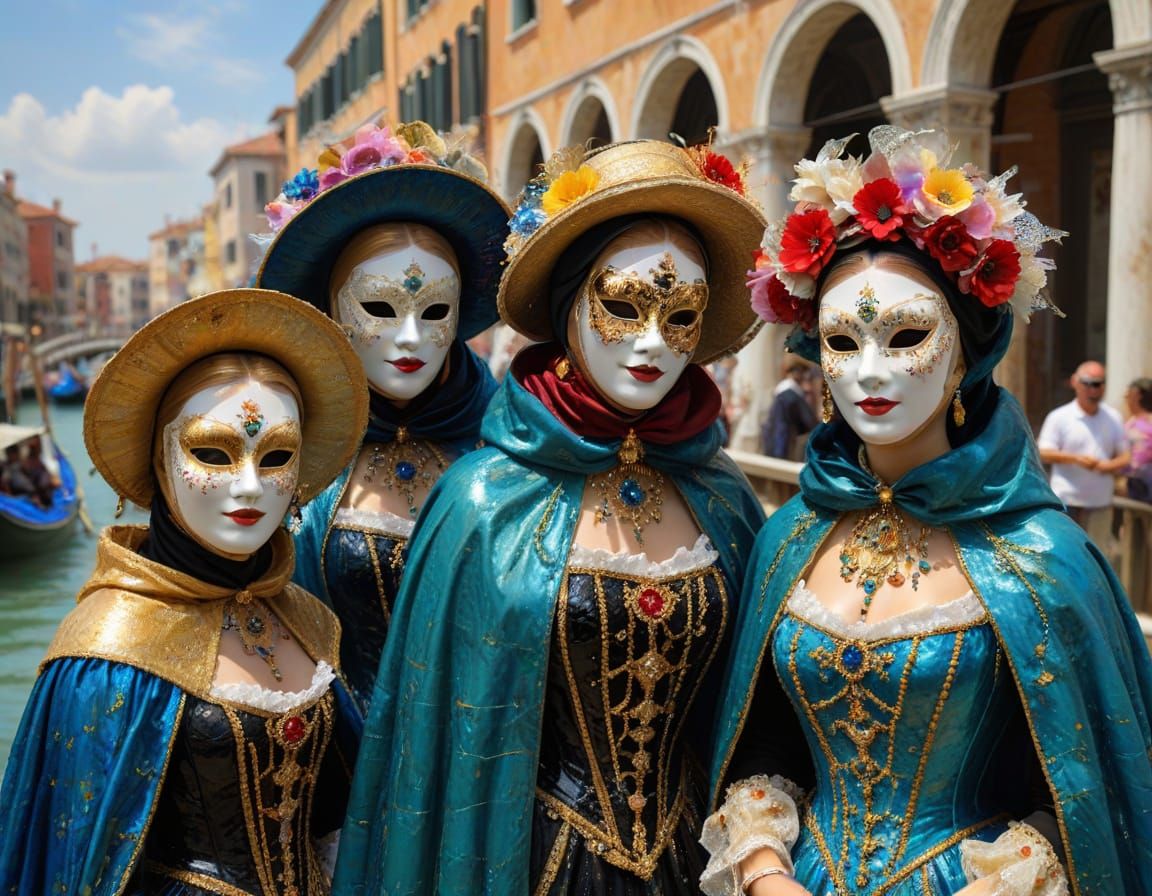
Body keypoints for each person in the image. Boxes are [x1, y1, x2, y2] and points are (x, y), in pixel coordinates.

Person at [702, 127, 1152, 896]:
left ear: (968, 350)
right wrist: (765, 871)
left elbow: (1091, 790)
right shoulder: (788, 538)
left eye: (906, 335)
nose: (870, 371)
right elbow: (760, 740)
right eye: (844, 342)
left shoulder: (1045, 556)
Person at [333, 139, 769, 895]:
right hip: (528, 864)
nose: (651, 342)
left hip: (694, 863)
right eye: (623, 306)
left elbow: (753, 716)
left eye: (679, 316)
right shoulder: (481, 501)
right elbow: (439, 747)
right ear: (569, 302)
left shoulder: (725, 497)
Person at [0, 288, 369, 894]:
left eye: (276, 456)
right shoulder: (106, 649)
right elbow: (75, 858)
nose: (249, 486)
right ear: (160, 459)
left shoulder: (308, 617)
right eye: (213, 453)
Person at [254, 120, 509, 711]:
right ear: (333, 308)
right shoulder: (284, 445)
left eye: (434, 310)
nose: (411, 338)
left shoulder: (506, 439)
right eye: (380, 307)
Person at [1037, 361, 1128, 543]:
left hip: (1100, 503)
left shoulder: (1113, 417)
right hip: (1066, 502)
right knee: (1066, 552)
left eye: (1098, 384)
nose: (1093, 390)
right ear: (1074, 382)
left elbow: (1125, 456)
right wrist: (1076, 459)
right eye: (1088, 383)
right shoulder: (1059, 417)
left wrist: (1108, 465)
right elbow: (1043, 452)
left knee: (1097, 553)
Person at [761, 357, 819, 459]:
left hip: (774, 436)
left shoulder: (784, 390)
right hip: (783, 438)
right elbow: (808, 420)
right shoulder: (791, 393)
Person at [1122, 377, 1152, 502]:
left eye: (1128, 395)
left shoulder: (1145, 423)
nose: (1125, 398)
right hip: (1133, 485)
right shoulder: (1130, 422)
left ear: (1137, 395)